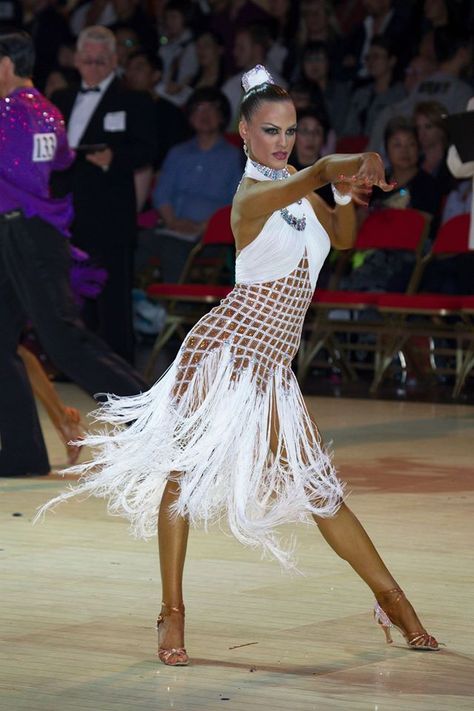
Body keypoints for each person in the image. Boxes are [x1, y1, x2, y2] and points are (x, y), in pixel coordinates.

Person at [38, 64, 439, 665]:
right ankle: (171, 613)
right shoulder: (251, 195)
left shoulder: (300, 192)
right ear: (245, 136)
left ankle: (393, 600)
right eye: (271, 131)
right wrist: (344, 162)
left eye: (292, 131)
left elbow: (346, 239)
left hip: (274, 369)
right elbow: (322, 170)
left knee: (320, 491)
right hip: (224, 351)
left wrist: (349, 191)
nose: (283, 141)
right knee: (183, 475)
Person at [0, 31, 147, 478]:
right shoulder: (48, 110)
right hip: (23, 233)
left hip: (25, 232)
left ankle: (164, 423)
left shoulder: (8, 112)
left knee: (65, 341)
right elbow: (60, 161)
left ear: (5, 64)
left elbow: (21, 173)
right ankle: (23, 455)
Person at [51, 25, 157, 363]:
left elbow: (149, 149)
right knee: (69, 292)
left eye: (101, 61)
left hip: (110, 213)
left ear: (114, 61)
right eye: (88, 61)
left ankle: (118, 365)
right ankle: (73, 364)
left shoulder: (132, 100)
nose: (94, 67)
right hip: (68, 210)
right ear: (77, 61)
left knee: (113, 295)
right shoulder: (61, 99)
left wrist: (115, 158)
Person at [136, 87, 242, 281]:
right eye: (199, 109)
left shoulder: (233, 156)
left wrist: (202, 226)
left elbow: (235, 202)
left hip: (209, 235)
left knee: (172, 249)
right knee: (134, 244)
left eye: (212, 109)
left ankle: (173, 308)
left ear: (222, 117)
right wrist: (173, 222)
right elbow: (162, 193)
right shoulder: (178, 153)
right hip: (171, 227)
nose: (205, 115)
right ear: (190, 116)